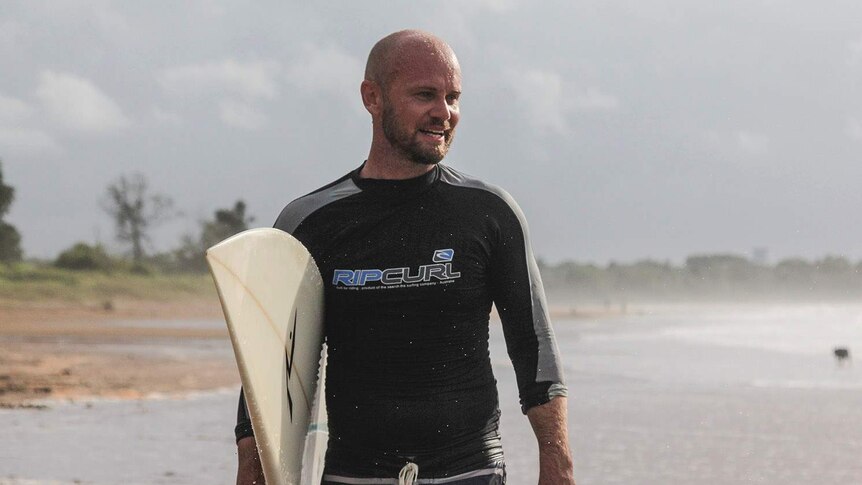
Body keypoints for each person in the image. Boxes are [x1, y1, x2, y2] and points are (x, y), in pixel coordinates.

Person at [235, 29, 576, 485]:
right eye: (425, 95)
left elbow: (533, 350)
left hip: (470, 471)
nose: (444, 112)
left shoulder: (489, 214)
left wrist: (559, 467)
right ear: (372, 98)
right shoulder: (309, 224)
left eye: (453, 97)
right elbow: (271, 373)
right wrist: (252, 470)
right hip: (353, 474)